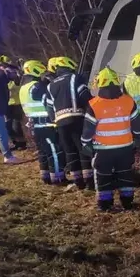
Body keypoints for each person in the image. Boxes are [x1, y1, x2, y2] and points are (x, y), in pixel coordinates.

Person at [81, 67, 140, 211]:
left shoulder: (94, 104)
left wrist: (85, 143)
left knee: (103, 175)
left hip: (102, 150)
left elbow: (88, 129)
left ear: (99, 84)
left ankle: (105, 204)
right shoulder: (128, 101)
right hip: (125, 147)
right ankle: (128, 202)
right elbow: (137, 124)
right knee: (125, 174)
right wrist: (139, 137)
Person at [45, 56, 94, 190]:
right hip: (77, 118)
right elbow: (85, 97)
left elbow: (49, 107)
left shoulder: (50, 85)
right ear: (69, 66)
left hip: (60, 123)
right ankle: (89, 181)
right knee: (82, 149)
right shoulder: (75, 78)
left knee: (70, 151)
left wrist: (55, 120)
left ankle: (78, 182)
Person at [19, 60, 66, 185]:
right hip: (46, 124)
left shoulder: (23, 87)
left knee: (42, 152)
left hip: (34, 125)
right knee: (54, 152)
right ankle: (58, 178)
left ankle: (45, 176)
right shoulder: (37, 86)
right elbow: (48, 100)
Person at [0, 60, 21, 164]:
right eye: (14, 73)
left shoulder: (2, 78)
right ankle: (8, 156)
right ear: (7, 71)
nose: (15, 76)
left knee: (2, 133)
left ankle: (8, 157)